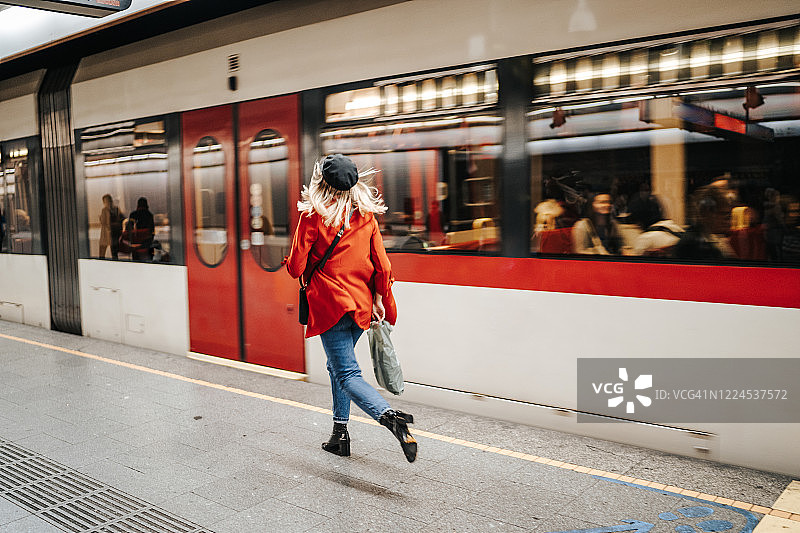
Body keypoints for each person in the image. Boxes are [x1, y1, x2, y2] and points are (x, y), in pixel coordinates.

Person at [285, 154, 417, 463]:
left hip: (330, 307)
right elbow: (383, 266)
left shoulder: (312, 217)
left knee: (346, 372)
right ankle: (339, 435)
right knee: (338, 367)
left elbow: (295, 268)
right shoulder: (366, 217)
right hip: (360, 308)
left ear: (321, 184)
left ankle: (390, 418)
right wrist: (382, 299)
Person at [128, 197, 155, 261]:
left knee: (136, 262)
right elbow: (152, 231)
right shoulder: (149, 215)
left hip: (135, 244)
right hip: (147, 244)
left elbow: (129, 230)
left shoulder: (133, 215)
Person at [99, 194, 123, 259]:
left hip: (109, 233)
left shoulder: (105, 210)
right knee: (114, 252)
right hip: (113, 233)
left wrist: (100, 218)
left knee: (102, 251)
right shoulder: (116, 209)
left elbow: (103, 221)